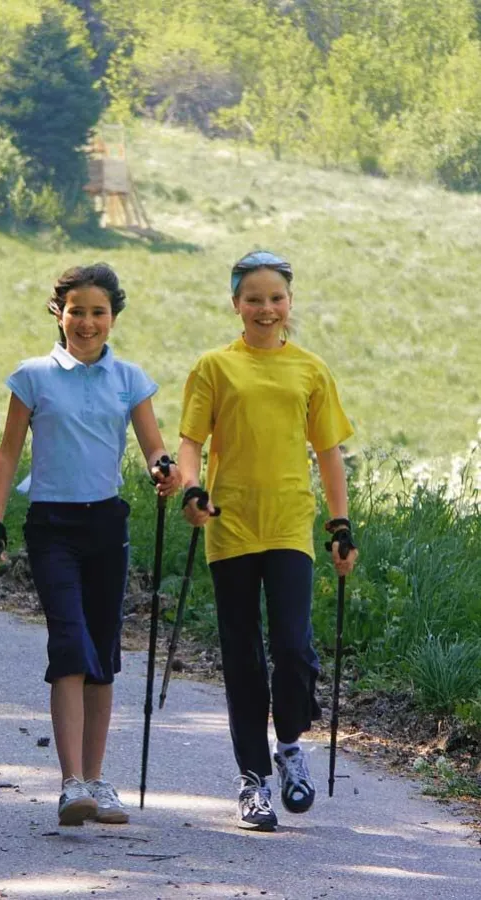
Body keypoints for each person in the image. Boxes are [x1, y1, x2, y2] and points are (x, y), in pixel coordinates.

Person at [0, 263, 180, 827]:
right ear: (58, 313)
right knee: (70, 643)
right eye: (76, 311)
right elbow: (7, 454)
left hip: (106, 526)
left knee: (103, 653)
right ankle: (71, 786)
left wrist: (164, 470)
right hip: (52, 527)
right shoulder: (33, 377)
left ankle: (95, 781)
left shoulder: (129, 379)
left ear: (113, 316)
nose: (87, 322)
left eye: (98, 312)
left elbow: (153, 447)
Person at [178, 250, 358, 831]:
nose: (265, 308)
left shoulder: (310, 370)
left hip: (288, 525)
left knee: (293, 647)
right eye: (253, 299)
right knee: (242, 656)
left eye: (275, 298)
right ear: (236, 304)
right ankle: (253, 781)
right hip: (230, 524)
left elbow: (329, 452)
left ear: (289, 302)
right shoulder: (214, 367)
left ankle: (290, 748)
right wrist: (191, 490)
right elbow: (191, 442)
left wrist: (340, 524)